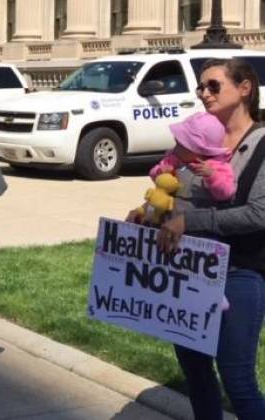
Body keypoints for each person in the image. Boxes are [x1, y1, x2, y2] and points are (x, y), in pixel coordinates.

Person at [134, 58, 265, 420]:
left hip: (240, 271)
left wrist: (185, 222)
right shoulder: (194, 139)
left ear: (244, 89)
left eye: (213, 86)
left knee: (238, 380)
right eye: (201, 88)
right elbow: (172, 195)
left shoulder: (262, 144)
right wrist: (148, 214)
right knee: (196, 373)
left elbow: (259, 214)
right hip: (186, 271)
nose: (204, 93)